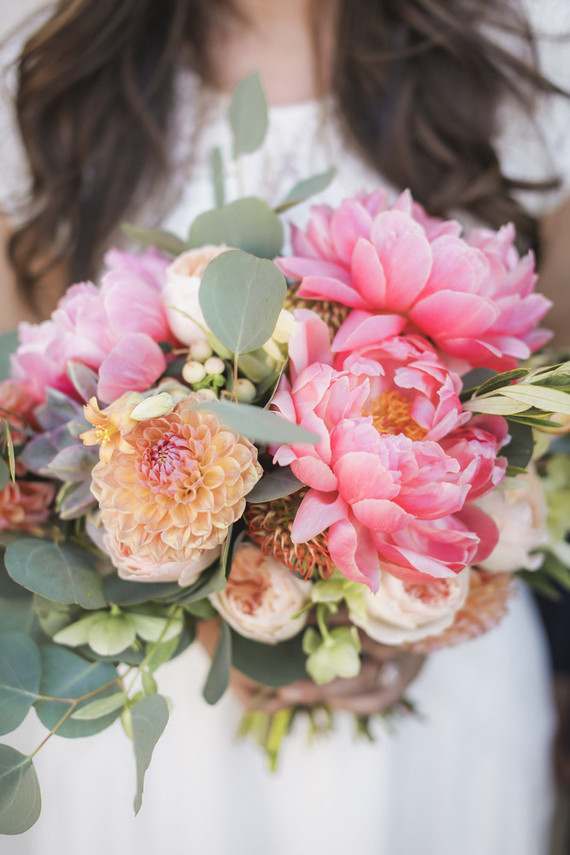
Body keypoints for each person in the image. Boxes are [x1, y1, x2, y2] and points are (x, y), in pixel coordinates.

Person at [1, 1, 569, 853]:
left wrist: (410, 615)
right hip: (152, 710)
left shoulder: (518, 42)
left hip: (442, 676)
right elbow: (29, 414)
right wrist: (208, 603)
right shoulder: (43, 66)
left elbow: (543, 393)